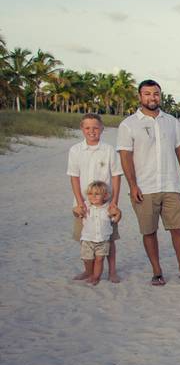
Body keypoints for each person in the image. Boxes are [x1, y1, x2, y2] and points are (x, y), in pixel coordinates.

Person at [117, 79, 180, 286]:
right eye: (147, 94)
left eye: (156, 94)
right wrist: (133, 185)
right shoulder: (128, 125)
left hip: (170, 185)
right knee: (149, 231)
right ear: (140, 96)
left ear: (160, 96)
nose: (152, 98)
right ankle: (157, 271)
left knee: (178, 229)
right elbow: (125, 157)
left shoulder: (171, 121)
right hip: (144, 188)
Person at [67, 113, 122, 283]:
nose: (92, 131)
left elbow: (116, 176)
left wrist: (114, 202)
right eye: (87, 128)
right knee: (86, 239)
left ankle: (112, 271)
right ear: (82, 129)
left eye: (96, 127)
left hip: (106, 204)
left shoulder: (108, 150)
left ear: (102, 129)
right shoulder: (75, 150)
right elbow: (74, 176)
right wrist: (79, 202)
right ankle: (88, 272)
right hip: (84, 204)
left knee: (109, 239)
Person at [78, 181, 122, 285]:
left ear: (105, 196)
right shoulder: (86, 207)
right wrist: (77, 211)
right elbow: (77, 213)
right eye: (90, 194)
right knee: (87, 259)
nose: (93, 196)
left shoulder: (108, 208)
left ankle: (96, 277)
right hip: (87, 240)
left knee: (99, 260)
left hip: (103, 240)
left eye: (97, 194)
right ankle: (89, 272)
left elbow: (115, 219)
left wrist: (118, 214)